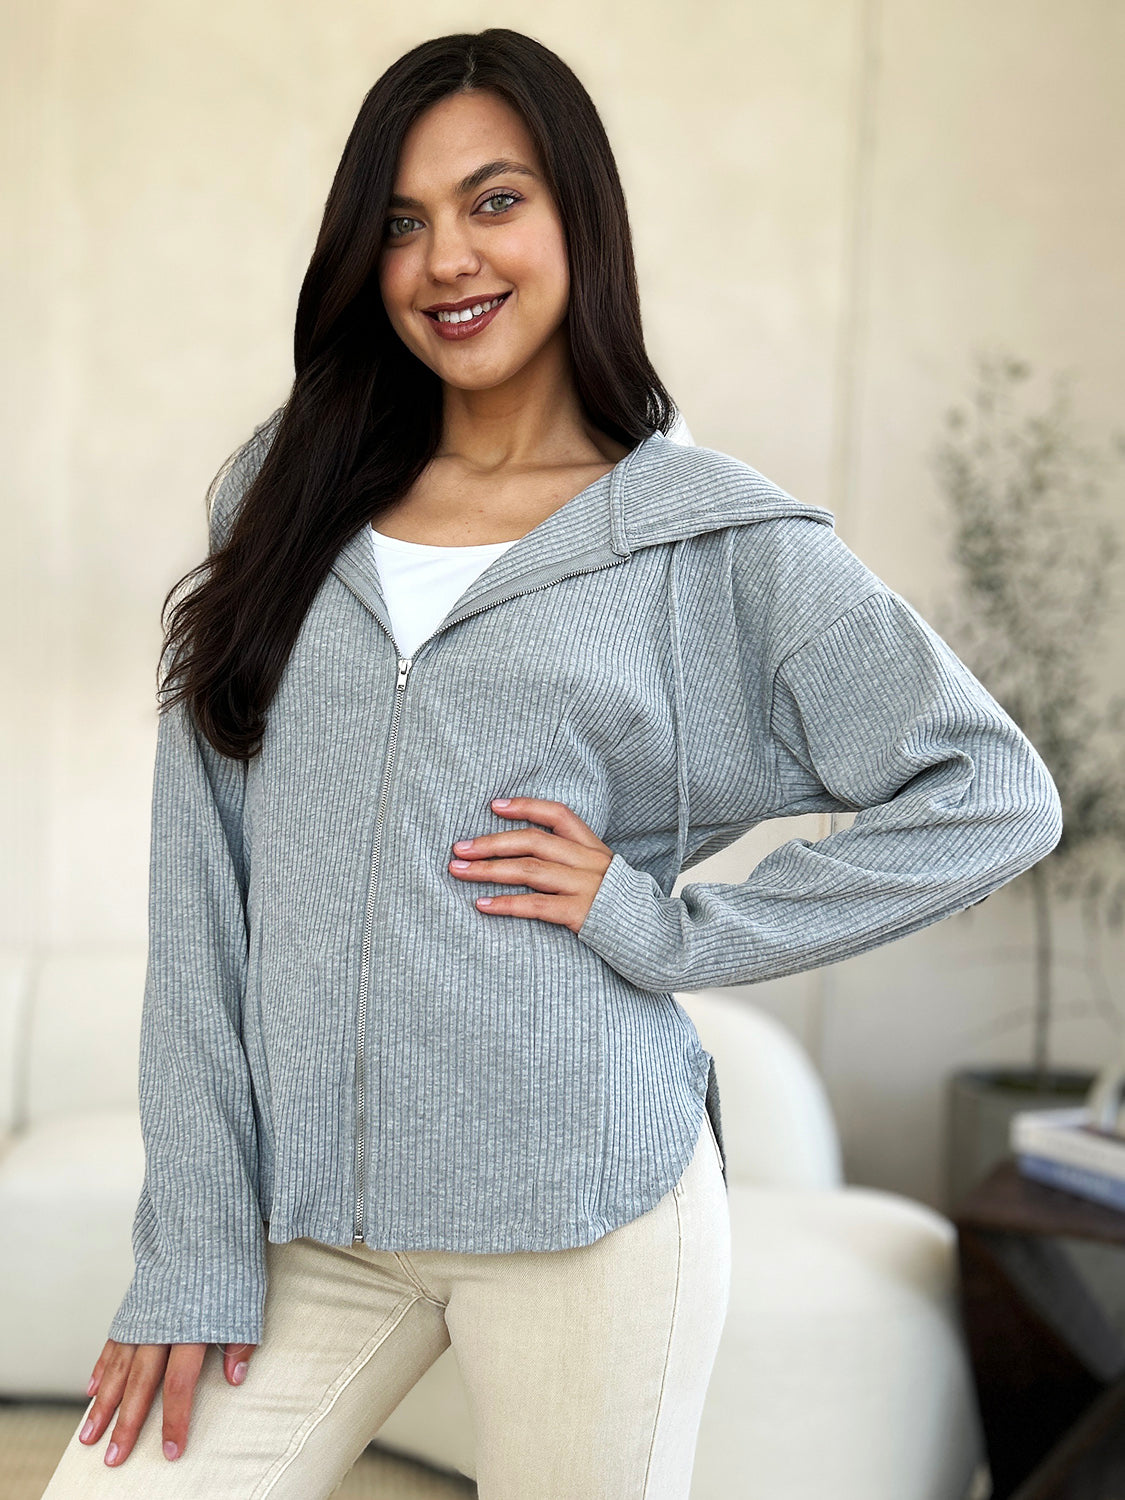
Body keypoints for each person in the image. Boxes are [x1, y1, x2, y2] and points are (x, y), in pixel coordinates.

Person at [40, 26, 1062, 1500]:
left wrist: (666, 927)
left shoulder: (704, 538)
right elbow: (200, 888)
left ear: (580, 215)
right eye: (401, 222)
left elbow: (988, 792)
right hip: (311, 1222)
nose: (446, 257)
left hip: (594, 1215)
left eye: (493, 201)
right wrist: (190, 1243)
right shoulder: (281, 494)